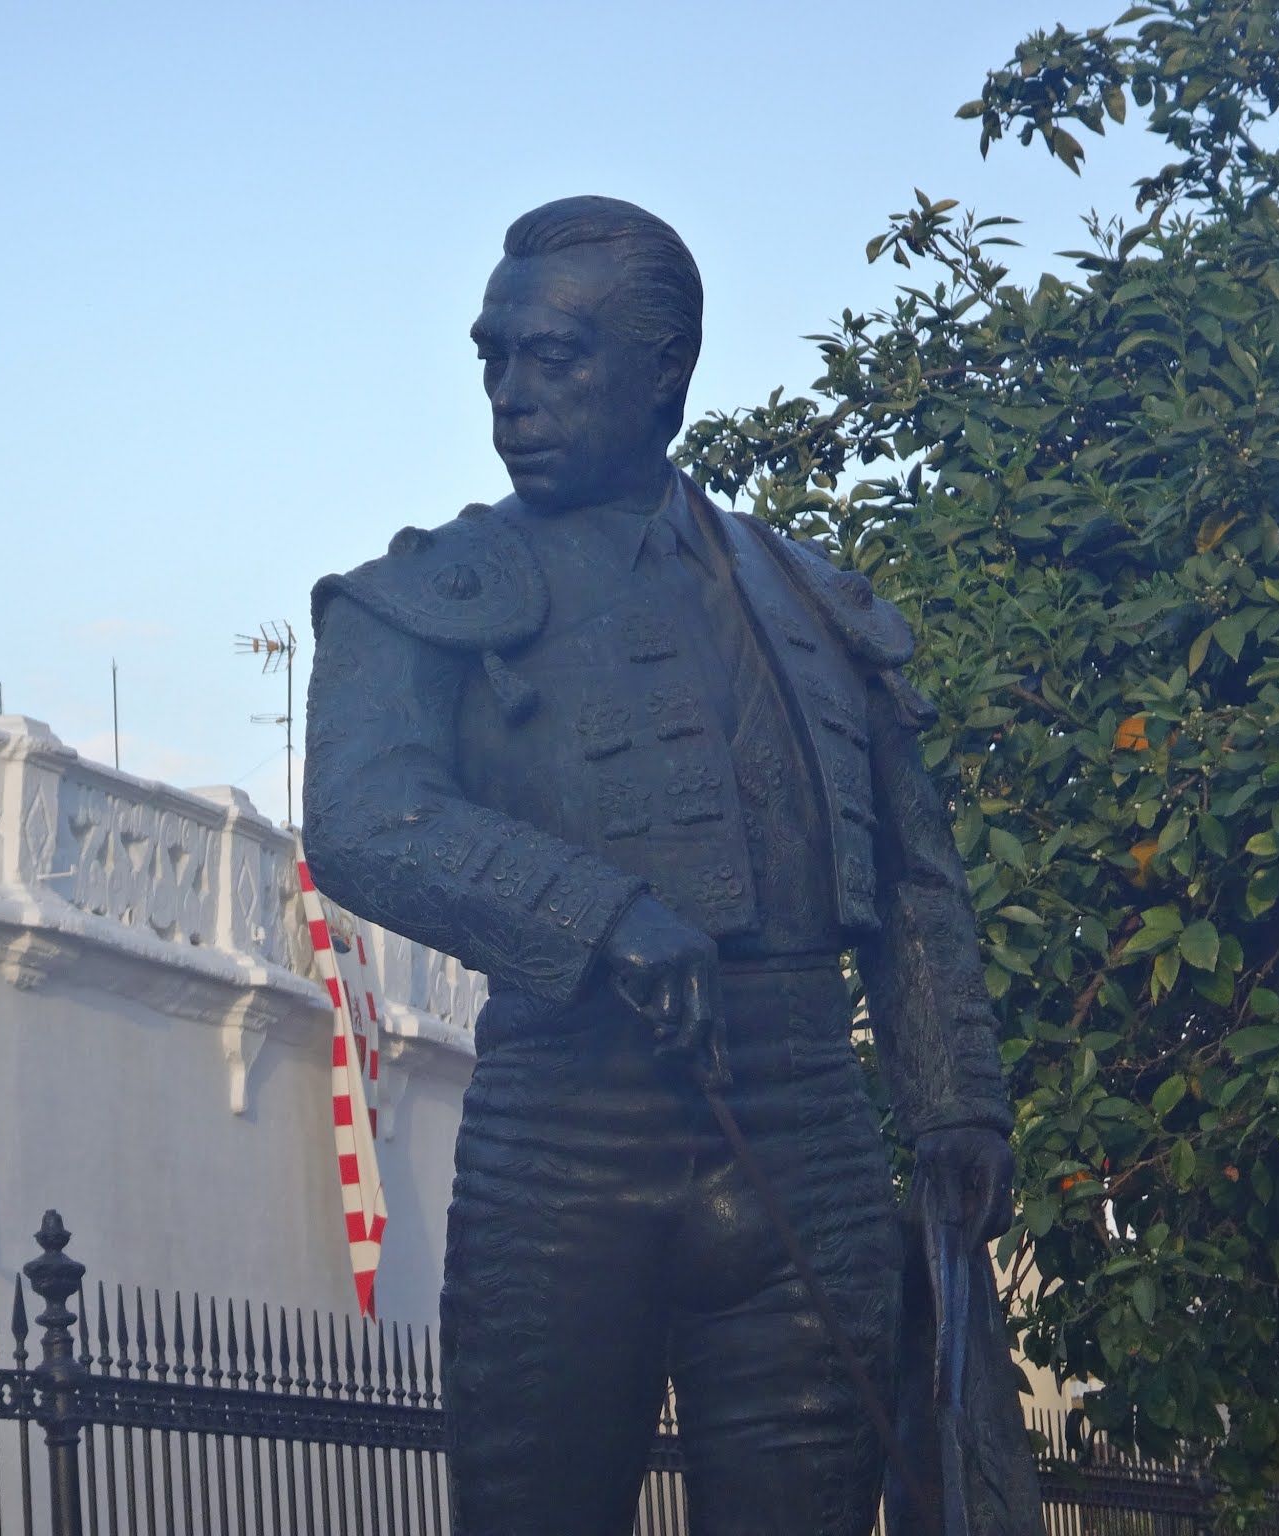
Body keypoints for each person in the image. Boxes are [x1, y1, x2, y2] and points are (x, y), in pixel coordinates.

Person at [302, 197, 1019, 1535]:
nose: (512, 396)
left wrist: (951, 1102)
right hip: (568, 1139)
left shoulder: (808, 597)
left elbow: (918, 877)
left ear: (666, 375)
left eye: (555, 360)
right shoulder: (424, 597)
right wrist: (598, 913)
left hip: (804, 1129)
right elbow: (359, 813)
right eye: (494, 359)